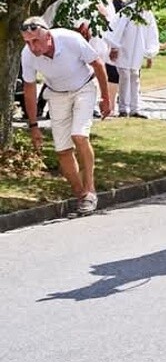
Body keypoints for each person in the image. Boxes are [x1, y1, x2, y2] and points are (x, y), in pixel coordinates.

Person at [20, 17, 113, 215]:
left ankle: (90, 189)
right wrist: (33, 125)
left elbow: (98, 64)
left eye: (35, 41)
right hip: (56, 94)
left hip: (83, 88)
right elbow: (29, 88)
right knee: (62, 150)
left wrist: (106, 98)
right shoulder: (27, 55)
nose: (32, 47)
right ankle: (81, 195)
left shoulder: (70, 39)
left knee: (79, 135)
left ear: (48, 36)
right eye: (27, 42)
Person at [105, 0, 159, 118]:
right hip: (125, 48)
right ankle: (123, 108)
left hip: (137, 50)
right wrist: (114, 46)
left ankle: (135, 108)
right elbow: (117, 29)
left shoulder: (147, 13)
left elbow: (151, 32)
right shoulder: (127, 12)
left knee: (134, 76)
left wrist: (149, 50)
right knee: (124, 76)